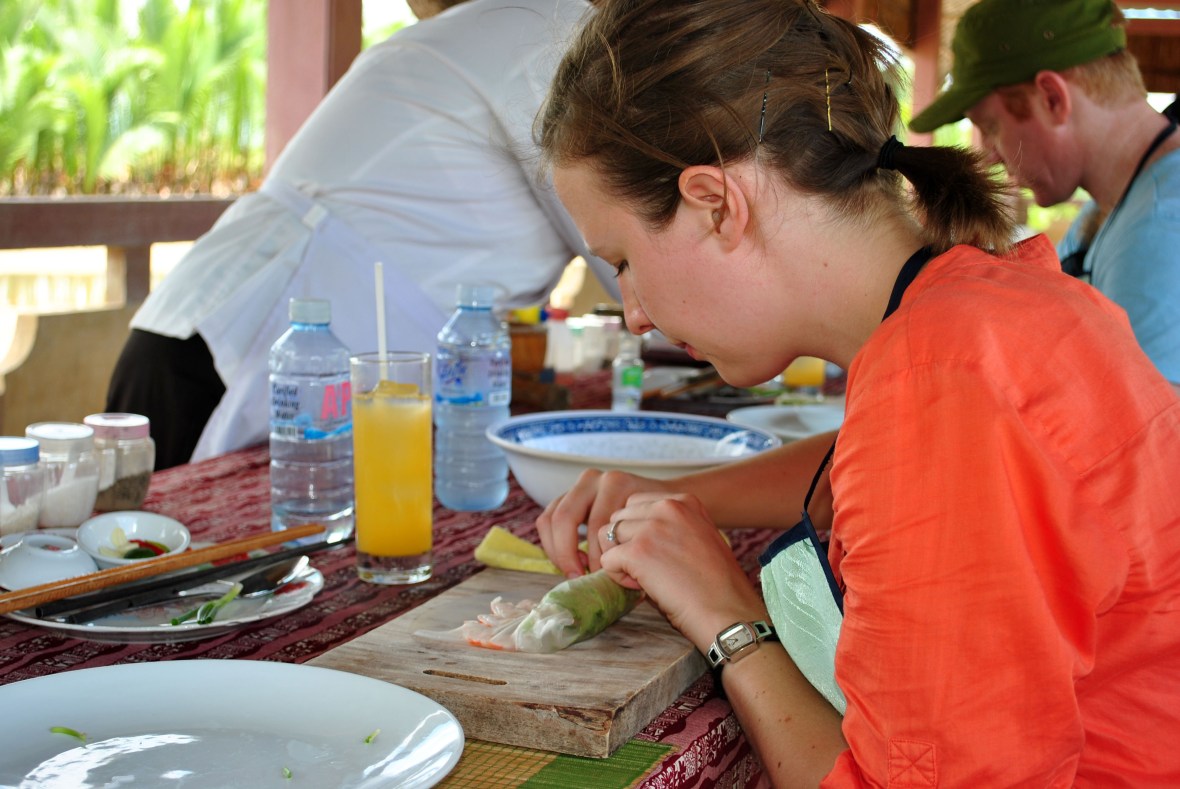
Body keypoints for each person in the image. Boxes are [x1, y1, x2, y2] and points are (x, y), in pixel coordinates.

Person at [533, 0, 1180, 785]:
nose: (634, 314)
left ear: (715, 203)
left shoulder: (941, 381)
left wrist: (724, 614)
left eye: (625, 261)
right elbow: (885, 470)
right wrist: (681, 495)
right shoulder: (972, 311)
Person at [106, 0, 616, 469]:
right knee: (151, 552)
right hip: (230, 348)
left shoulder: (497, 30)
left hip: (210, 327)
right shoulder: (545, 28)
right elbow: (632, 234)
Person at [909, 0, 1180, 393]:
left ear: (1052, 98)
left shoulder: (1158, 229)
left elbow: (1150, 445)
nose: (990, 155)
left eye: (991, 125)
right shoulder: (1119, 207)